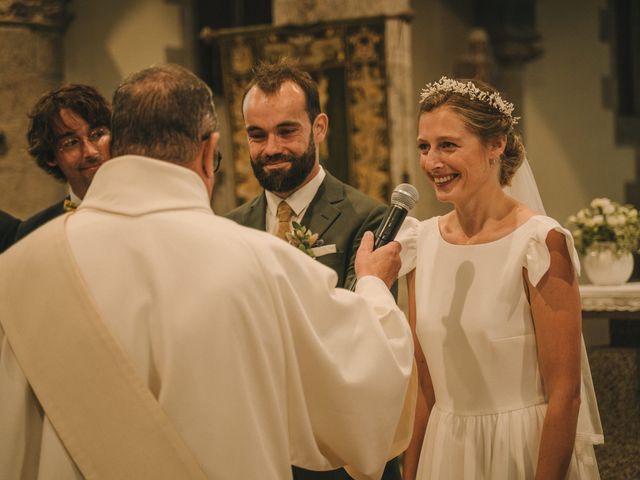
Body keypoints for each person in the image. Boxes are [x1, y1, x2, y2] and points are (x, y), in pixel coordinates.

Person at [0, 64, 414, 480]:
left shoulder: (18, 269)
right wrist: (374, 287)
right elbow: (365, 384)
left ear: (112, 147)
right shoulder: (258, 261)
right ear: (207, 150)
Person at [398, 77, 603, 480]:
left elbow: (566, 394)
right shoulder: (419, 243)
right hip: (446, 451)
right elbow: (424, 381)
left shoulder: (540, 243)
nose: (431, 162)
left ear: (496, 145)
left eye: (448, 145)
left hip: (521, 450)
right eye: (424, 146)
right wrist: (411, 471)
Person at [226, 61, 388, 292]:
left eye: (286, 132)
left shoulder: (367, 219)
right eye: (258, 135)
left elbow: (367, 319)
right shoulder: (231, 227)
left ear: (319, 127)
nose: (271, 148)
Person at [13, 84, 111, 243]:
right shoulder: (33, 234)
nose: (91, 152)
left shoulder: (149, 209)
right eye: (71, 142)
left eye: (98, 134)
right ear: (50, 157)